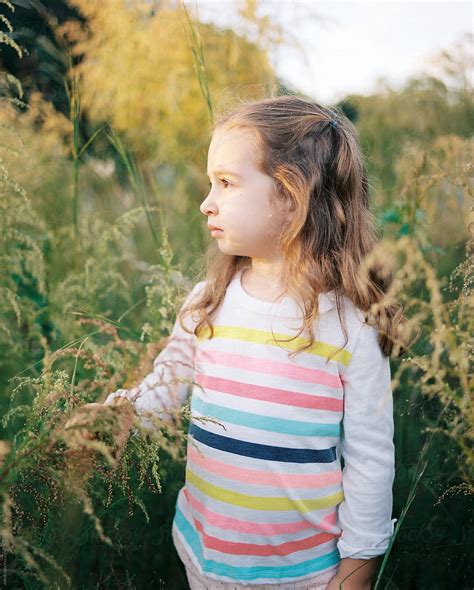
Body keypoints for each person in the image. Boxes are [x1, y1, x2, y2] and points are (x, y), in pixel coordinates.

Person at [67, 95, 404, 589]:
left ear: (293, 193)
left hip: (302, 573)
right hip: (202, 556)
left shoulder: (350, 325)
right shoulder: (211, 300)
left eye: (225, 182)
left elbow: (372, 461)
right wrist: (118, 415)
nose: (207, 201)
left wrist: (355, 574)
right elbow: (165, 384)